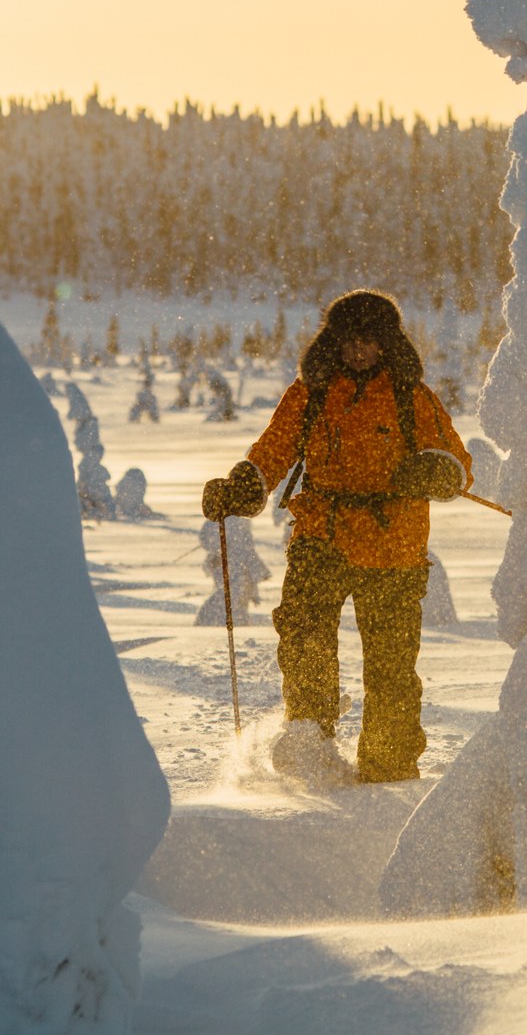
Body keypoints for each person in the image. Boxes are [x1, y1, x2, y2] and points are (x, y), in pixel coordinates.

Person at [203, 290, 472, 783]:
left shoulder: (414, 398)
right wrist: (245, 484)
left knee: (390, 668)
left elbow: (457, 464)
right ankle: (309, 745)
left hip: (393, 547)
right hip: (320, 535)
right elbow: (274, 449)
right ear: (334, 341)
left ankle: (389, 766)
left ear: (387, 343)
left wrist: (436, 471)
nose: (358, 351)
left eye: (369, 341)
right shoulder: (310, 393)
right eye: (349, 340)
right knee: (304, 640)